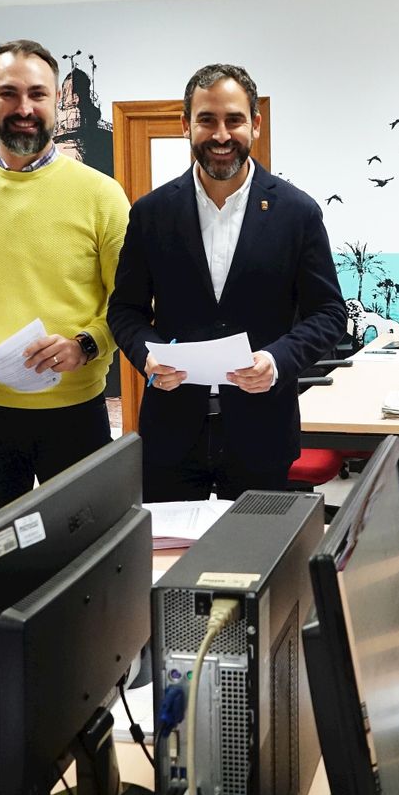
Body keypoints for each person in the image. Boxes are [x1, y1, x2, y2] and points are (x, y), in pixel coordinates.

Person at [0, 39, 129, 523]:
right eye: (8, 93)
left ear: (57, 99)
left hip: (75, 412)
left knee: (83, 555)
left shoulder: (101, 195)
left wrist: (87, 344)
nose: (24, 108)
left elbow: (130, 301)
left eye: (38, 93)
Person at [108, 63, 344, 500]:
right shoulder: (151, 213)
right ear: (186, 125)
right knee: (172, 564)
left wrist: (276, 361)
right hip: (171, 435)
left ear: (254, 124)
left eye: (234, 120)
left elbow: (329, 315)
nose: (220, 135)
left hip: (262, 434)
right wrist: (145, 356)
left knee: (254, 563)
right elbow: (125, 310)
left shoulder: (298, 213)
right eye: (207, 120)